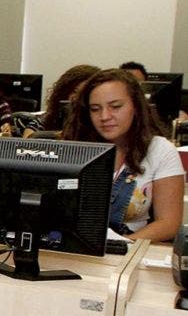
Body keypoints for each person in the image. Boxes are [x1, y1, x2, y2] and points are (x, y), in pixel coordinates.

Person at [63, 69, 184, 242]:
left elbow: (169, 223)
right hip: (76, 249)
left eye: (116, 107)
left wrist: (121, 246)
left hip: (130, 247)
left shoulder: (160, 150)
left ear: (135, 106)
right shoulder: (73, 147)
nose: (104, 116)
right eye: (95, 109)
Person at [17, 64, 99, 137]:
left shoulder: (100, 122)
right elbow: (27, 143)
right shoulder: (45, 120)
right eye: (74, 92)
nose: (77, 98)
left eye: (84, 93)